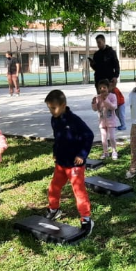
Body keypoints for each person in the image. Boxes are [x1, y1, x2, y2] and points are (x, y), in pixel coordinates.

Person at [44, 90, 95, 235]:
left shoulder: (74, 121)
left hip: (74, 165)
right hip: (61, 163)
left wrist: (82, 154)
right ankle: (54, 209)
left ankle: (86, 219)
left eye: (53, 108)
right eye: (49, 108)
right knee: (54, 187)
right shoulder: (54, 119)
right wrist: (55, 151)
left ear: (63, 105)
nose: (51, 111)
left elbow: (89, 135)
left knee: (79, 191)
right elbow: (58, 137)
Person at [92, 35, 122, 128]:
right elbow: (96, 68)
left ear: (104, 41)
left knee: (111, 99)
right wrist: (92, 65)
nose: (98, 44)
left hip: (109, 80)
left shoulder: (111, 52)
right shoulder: (96, 54)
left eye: (99, 42)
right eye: (97, 43)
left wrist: (115, 76)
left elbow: (116, 64)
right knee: (100, 100)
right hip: (99, 80)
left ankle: (113, 121)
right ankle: (102, 120)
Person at [91, 79, 120, 160]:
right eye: (100, 88)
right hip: (102, 122)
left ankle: (114, 151)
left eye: (104, 87)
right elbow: (95, 109)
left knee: (112, 137)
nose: (102, 89)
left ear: (108, 88)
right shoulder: (98, 97)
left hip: (111, 121)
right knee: (103, 138)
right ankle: (105, 152)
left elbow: (114, 107)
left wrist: (106, 100)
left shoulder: (112, 96)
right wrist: (94, 103)